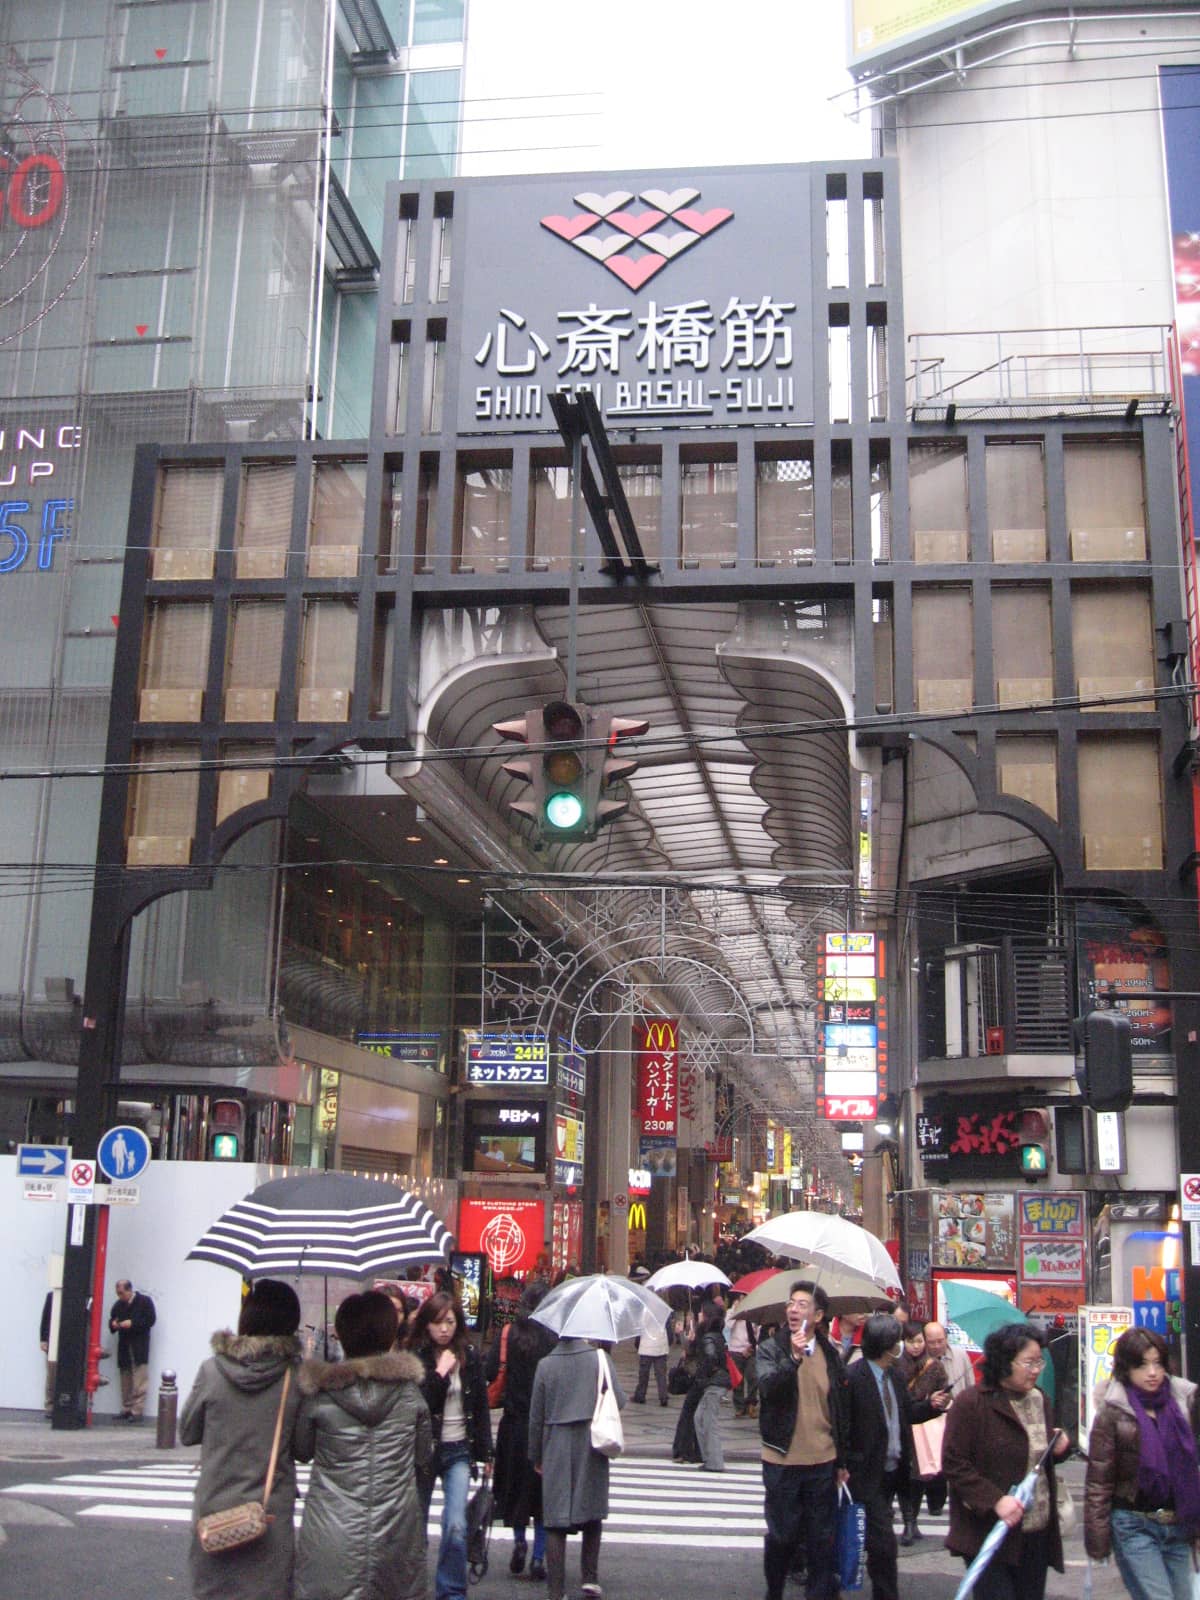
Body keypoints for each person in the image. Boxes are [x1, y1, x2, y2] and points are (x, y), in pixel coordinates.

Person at [294, 1289, 431, 1600]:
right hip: (396, 1533)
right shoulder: (410, 1395)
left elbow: (302, 1450)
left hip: (331, 1532)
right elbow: (423, 1455)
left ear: (342, 1335)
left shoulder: (321, 1395)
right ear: (390, 1334)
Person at [180, 1279, 305, 1600]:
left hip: (214, 1511)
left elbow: (187, 1432)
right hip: (268, 1515)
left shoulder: (212, 1370)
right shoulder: (295, 1377)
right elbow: (305, 1448)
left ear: (246, 1317)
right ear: (290, 1324)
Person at [943, 1323, 1071, 1600]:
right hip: (990, 1530)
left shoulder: (1040, 1399)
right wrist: (994, 1500)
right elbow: (954, 1462)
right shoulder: (972, 1403)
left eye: (1039, 1362)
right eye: (1028, 1363)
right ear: (1004, 1362)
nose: (1036, 1370)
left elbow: (1036, 1454)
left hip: (1035, 1530)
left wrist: (1059, 1447)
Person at [1084, 1326, 1200, 1600]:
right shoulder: (1113, 1412)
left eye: (1158, 1363)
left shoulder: (1182, 1402)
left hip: (1178, 1523)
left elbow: (1190, 1471)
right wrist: (1097, 1539)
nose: (1152, 1372)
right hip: (1134, 1524)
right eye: (1142, 1365)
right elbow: (1099, 1481)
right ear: (1126, 1368)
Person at [756, 1279, 849, 1600]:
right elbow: (767, 1388)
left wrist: (842, 1460)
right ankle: (774, 1591)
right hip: (782, 1460)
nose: (793, 1310)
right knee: (783, 1536)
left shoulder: (830, 1353)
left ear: (819, 1315)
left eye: (802, 1305)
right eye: (791, 1303)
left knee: (821, 1538)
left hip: (822, 1460)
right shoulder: (771, 1348)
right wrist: (792, 1360)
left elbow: (838, 1409)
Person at [845, 1313, 948, 1600]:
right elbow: (842, 1425)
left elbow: (907, 1412)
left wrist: (932, 1406)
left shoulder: (896, 1376)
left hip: (895, 1469)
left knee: (880, 1541)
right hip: (866, 1472)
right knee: (882, 1544)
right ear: (885, 1346)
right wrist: (843, 1463)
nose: (901, 1347)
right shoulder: (853, 1377)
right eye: (897, 1342)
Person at [529, 1332, 626, 1600]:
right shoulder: (600, 1359)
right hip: (591, 1442)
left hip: (555, 1444)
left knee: (555, 1520)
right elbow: (619, 1400)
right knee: (592, 1511)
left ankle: (556, 1590)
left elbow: (536, 1416)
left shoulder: (545, 1365)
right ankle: (590, 1579)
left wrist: (536, 1455)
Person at [409, 1290, 493, 1600]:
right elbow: (421, 1405)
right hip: (425, 1451)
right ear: (426, 1325)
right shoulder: (416, 1357)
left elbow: (480, 1406)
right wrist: (440, 1372)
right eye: (437, 1322)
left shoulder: (469, 1356)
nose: (444, 1329)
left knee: (457, 1523)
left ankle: (452, 1591)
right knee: (415, 1526)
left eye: (450, 1322)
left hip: (459, 1449)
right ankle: (413, 1588)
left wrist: (486, 1452)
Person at [486, 1284, 558, 1581]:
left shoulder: (508, 1334)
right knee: (541, 1497)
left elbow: (490, 1371)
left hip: (513, 1425)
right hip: (544, 1428)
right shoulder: (554, 1339)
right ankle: (539, 1557)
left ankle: (519, 1542)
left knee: (514, 1489)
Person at [895, 1323, 949, 1544]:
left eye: (919, 1341)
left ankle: (912, 1520)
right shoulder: (896, 1364)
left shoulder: (934, 1366)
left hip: (926, 1425)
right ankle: (909, 1521)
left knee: (920, 1475)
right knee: (906, 1474)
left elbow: (944, 1391)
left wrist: (938, 1399)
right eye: (911, 1341)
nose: (916, 1346)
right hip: (903, 1425)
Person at [691, 1300, 732, 1472]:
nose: (699, 1315)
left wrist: (704, 1374)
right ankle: (708, 1458)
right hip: (716, 1383)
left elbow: (710, 1358)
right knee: (699, 1418)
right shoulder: (716, 1335)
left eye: (701, 1313)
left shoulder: (708, 1337)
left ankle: (714, 1462)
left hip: (714, 1384)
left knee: (708, 1421)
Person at [108, 1277, 156, 1422]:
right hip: (124, 1345)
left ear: (129, 1290)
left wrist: (133, 1323)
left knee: (140, 1378)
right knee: (125, 1377)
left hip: (139, 1345)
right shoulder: (118, 1304)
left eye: (121, 1293)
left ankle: (137, 1410)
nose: (119, 1296)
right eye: (118, 1293)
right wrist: (113, 1324)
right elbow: (112, 1319)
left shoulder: (144, 1301)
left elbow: (150, 1320)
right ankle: (127, 1408)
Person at [630, 1290, 670, 1406]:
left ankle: (640, 1395)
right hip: (661, 1344)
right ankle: (663, 1396)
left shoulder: (644, 1309)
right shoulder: (664, 1309)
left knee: (644, 1373)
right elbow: (669, 1329)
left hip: (646, 1345)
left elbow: (640, 1326)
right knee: (661, 1374)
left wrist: (637, 1343)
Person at [727, 1304, 758, 1418]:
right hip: (735, 1349)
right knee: (737, 1381)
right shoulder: (731, 1312)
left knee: (753, 1377)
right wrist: (735, 1313)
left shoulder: (753, 1310)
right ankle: (739, 1406)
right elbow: (727, 1326)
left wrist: (752, 1346)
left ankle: (751, 1404)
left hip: (750, 1348)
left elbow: (757, 1331)